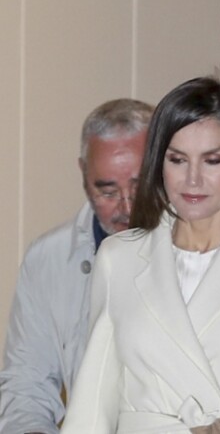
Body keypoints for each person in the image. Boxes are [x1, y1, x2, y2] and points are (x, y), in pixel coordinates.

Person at [60, 77, 220, 434]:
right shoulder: (118, 257)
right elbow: (91, 402)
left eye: (213, 160)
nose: (192, 180)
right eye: (178, 160)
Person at [0, 98, 153, 434]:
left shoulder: (200, 249)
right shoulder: (47, 259)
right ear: (84, 175)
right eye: (107, 191)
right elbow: (26, 383)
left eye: (139, 185)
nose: (127, 207)